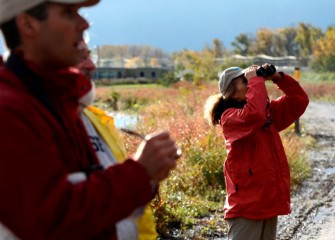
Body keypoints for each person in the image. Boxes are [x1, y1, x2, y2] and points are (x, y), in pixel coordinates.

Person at [0, 1, 179, 239]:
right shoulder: (9, 110)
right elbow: (52, 218)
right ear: (27, 24)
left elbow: (85, 198)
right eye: (68, 13)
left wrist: (147, 175)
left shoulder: (59, 98)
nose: (84, 24)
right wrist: (139, 172)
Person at [204, 64, 309, 240]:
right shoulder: (230, 118)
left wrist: (278, 78)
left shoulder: (266, 113)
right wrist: (255, 79)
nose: (249, 82)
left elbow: (299, 100)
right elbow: (254, 115)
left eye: (249, 79)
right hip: (246, 207)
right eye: (244, 80)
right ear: (233, 92)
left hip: (268, 202)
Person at [77, 43, 158, 240]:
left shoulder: (99, 121)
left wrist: (149, 178)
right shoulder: (27, 120)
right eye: (80, 56)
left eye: (90, 57)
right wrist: (139, 172)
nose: (91, 66)